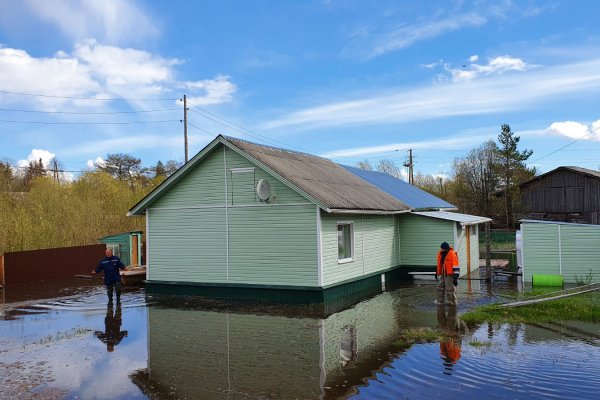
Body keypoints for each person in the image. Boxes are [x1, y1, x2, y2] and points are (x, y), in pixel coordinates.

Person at [436, 242, 460, 306]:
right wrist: (437, 273)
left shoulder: (452, 254)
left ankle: (453, 304)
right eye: (441, 248)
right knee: (439, 287)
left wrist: (455, 277)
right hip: (442, 274)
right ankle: (440, 302)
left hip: (449, 275)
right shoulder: (440, 253)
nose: (442, 250)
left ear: (446, 249)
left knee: (449, 290)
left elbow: (456, 266)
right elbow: (439, 264)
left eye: (443, 249)